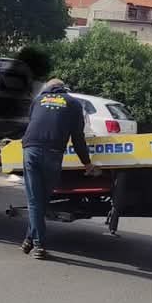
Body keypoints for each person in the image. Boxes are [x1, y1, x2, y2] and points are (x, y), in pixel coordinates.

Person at [20, 79, 97, 259]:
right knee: (40, 200)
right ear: (64, 89)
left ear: (48, 88)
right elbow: (78, 137)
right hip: (53, 154)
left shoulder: (38, 100)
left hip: (31, 150)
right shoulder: (73, 103)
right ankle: (39, 245)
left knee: (36, 201)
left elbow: (31, 123)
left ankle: (30, 239)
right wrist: (87, 163)